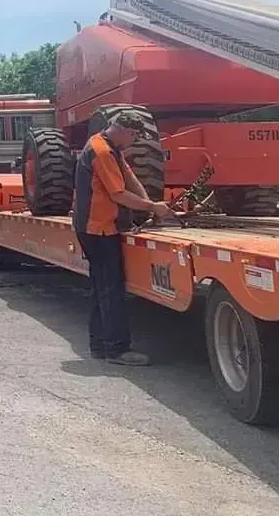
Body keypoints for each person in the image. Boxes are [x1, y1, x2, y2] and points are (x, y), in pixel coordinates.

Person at [72, 110, 175, 366]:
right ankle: (117, 350)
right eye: (134, 137)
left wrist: (150, 203)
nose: (134, 143)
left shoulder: (108, 146)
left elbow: (130, 179)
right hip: (99, 228)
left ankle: (99, 345)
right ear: (125, 131)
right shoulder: (103, 152)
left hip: (95, 226)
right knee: (111, 288)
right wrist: (152, 208)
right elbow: (118, 194)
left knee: (100, 287)